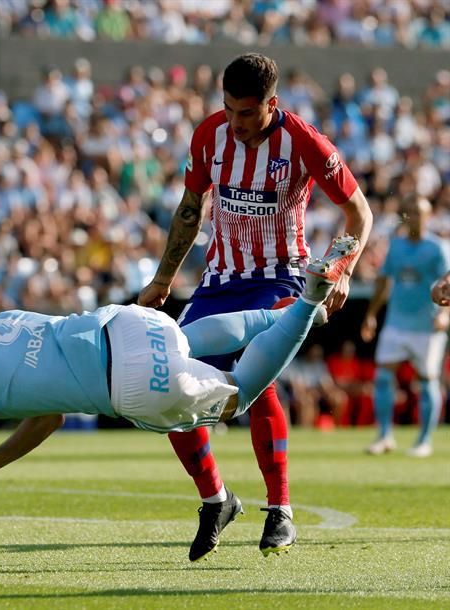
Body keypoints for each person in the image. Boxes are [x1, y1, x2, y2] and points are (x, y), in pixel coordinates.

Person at [0, 236, 359, 578]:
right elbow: (48, 416)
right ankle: (287, 312)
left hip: (130, 384)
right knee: (186, 340)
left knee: (242, 392)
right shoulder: (3, 320)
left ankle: (307, 301)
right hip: (127, 322)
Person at [137, 53, 372, 560]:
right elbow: (191, 208)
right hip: (219, 282)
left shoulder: (305, 142)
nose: (235, 122)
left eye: (246, 113)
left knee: (253, 377)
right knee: (170, 382)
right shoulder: (210, 135)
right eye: (228, 110)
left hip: (280, 279)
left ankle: (280, 508)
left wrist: (345, 269)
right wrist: (163, 278)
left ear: (272, 103)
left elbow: (359, 212)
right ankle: (216, 499)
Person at [361, 196, 450, 457]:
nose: (415, 217)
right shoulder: (396, 245)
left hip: (427, 324)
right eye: (410, 212)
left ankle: (424, 440)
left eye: (420, 212)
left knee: (427, 380)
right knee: (383, 376)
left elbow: (447, 284)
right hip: (396, 321)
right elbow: (384, 281)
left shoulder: (438, 248)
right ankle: (384, 436)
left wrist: (445, 315)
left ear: (429, 216)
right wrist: (371, 314)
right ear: (406, 216)